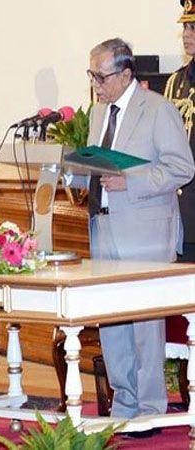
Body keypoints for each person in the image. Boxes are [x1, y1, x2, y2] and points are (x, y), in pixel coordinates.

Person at [68, 38, 195, 436]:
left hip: (146, 231)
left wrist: (131, 182)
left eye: (101, 76)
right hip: (103, 226)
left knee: (144, 325)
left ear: (125, 74)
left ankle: (150, 409)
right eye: (91, 75)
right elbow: (100, 167)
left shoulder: (158, 109)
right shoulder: (98, 113)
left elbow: (182, 168)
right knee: (112, 322)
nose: (95, 85)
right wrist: (75, 176)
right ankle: (123, 404)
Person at [163, 0, 195, 362]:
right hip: (179, 211)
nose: (187, 34)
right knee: (181, 310)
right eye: (185, 28)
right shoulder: (175, 82)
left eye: (193, 28)